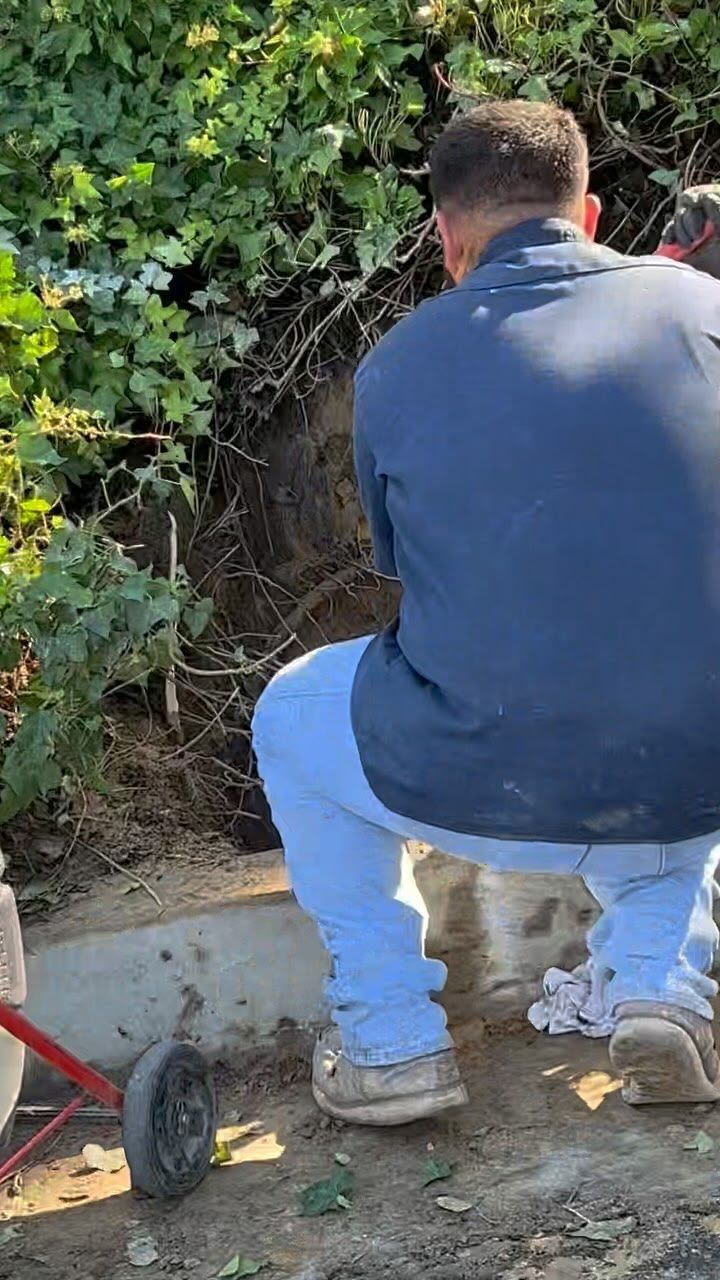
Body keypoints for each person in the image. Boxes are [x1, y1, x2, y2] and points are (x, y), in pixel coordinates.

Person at [253, 100, 720, 1126]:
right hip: (689, 770)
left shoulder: (394, 369)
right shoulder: (700, 309)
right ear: (589, 210)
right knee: (677, 690)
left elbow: (411, 570)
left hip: (477, 774)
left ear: (445, 241)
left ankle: (389, 1040)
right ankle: (664, 983)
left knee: (291, 711)